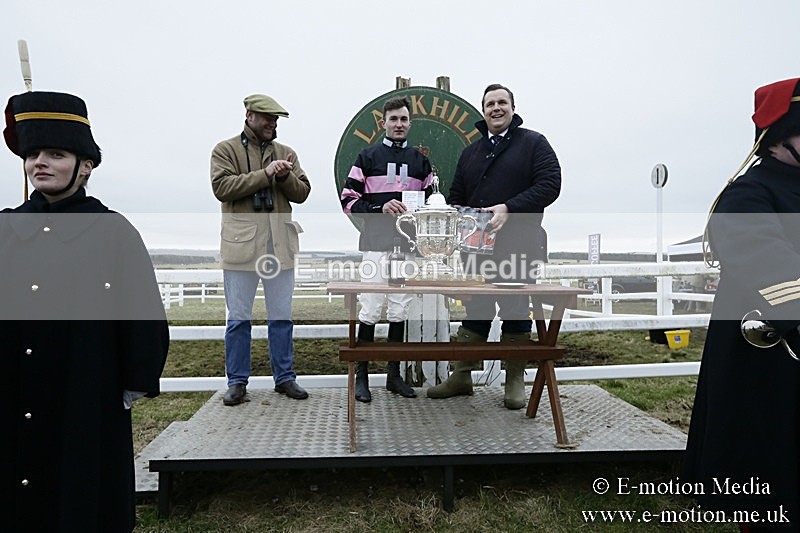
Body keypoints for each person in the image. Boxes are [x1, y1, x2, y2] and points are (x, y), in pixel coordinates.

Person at [0, 91, 169, 531]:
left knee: (78, 497)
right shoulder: (5, 228)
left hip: (83, 393)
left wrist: (134, 378)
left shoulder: (112, 232)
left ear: (86, 165)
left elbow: (143, 314)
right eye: (33, 153)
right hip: (10, 389)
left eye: (55, 154)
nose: (41, 162)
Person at [685, 78, 800, 530]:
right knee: (766, 470)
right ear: (782, 135)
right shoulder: (746, 194)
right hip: (767, 358)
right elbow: (769, 266)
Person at [427, 83, 561, 410]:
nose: (496, 108)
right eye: (490, 104)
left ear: (513, 108)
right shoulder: (471, 152)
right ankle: (462, 375)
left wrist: (509, 207)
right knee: (476, 309)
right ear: (483, 111)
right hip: (476, 249)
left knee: (515, 310)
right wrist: (462, 218)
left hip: (520, 244)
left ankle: (514, 380)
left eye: (502, 102)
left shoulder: (533, 143)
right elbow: (457, 197)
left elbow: (550, 185)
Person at [211, 94, 311, 405]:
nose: (273, 123)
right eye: (268, 117)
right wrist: (265, 174)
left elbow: (303, 192)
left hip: (279, 247)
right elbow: (221, 188)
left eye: (276, 119)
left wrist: (284, 176)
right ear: (249, 115)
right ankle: (237, 382)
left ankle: (285, 378)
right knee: (238, 318)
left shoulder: (287, 153)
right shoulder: (224, 150)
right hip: (241, 250)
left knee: (281, 317)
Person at [340, 96, 434, 402]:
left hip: (407, 248)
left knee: (399, 308)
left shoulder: (421, 162)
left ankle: (394, 376)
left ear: (410, 123)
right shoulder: (367, 156)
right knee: (370, 307)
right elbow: (348, 200)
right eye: (393, 119)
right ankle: (361, 378)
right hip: (376, 246)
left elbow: (434, 205)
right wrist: (380, 206)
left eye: (404, 119)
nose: (399, 124)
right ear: (384, 123)